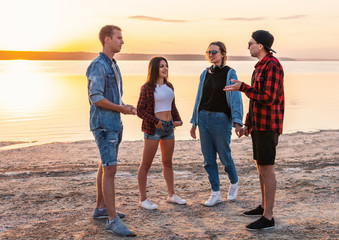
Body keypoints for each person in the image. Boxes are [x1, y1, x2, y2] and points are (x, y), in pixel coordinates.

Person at [224, 30, 285, 230]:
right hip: (259, 125)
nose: (248, 46)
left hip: (269, 126)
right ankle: (263, 207)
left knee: (267, 169)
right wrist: (248, 124)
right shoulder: (259, 67)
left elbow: (269, 97)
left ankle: (268, 218)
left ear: (260, 46)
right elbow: (255, 101)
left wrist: (243, 87)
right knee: (260, 168)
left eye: (250, 43)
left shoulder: (273, 65)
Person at [86, 25, 136, 237]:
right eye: (119, 37)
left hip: (114, 122)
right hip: (104, 125)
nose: (122, 41)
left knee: (105, 165)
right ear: (107, 39)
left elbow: (112, 97)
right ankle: (112, 221)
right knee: (111, 169)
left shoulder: (113, 65)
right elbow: (95, 97)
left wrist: (125, 107)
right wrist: (120, 109)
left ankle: (101, 209)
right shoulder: (98, 65)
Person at [190, 41, 243, 207]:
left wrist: (237, 122)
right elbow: (199, 98)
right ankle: (215, 193)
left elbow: (235, 98)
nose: (211, 55)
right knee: (208, 159)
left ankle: (234, 182)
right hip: (203, 118)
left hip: (221, 119)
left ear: (222, 54)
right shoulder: (204, 73)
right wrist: (194, 122)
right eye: (209, 52)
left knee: (224, 155)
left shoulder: (229, 72)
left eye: (214, 52)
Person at [136, 56, 187, 210]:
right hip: (154, 129)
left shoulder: (169, 86)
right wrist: (155, 121)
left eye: (166, 66)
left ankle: (171, 195)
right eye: (161, 66)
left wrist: (178, 120)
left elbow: (172, 106)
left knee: (168, 162)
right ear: (154, 69)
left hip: (169, 128)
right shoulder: (147, 88)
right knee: (146, 164)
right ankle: (143, 199)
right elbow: (140, 110)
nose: (165, 69)